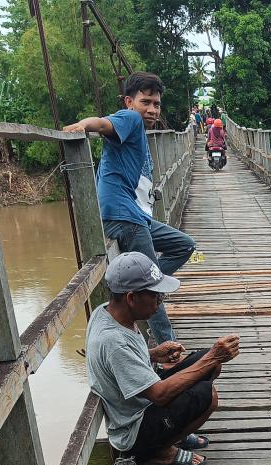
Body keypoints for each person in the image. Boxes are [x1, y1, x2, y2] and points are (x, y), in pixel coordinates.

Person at [63, 71, 196, 344]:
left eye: (156, 104)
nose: (151, 109)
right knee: (151, 284)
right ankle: (168, 348)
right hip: (124, 217)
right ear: (128, 102)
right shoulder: (131, 119)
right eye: (145, 101)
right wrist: (84, 125)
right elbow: (103, 124)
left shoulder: (139, 133)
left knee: (184, 245)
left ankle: (140, 280)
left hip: (136, 217)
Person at [86, 252, 241, 465]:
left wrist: (152, 354)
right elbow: (159, 395)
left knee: (210, 363)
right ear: (131, 298)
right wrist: (213, 355)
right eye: (156, 296)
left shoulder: (104, 310)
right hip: (134, 428)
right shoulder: (113, 341)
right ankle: (159, 452)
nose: (160, 303)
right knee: (208, 394)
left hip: (143, 401)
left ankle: (174, 434)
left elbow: (116, 362)